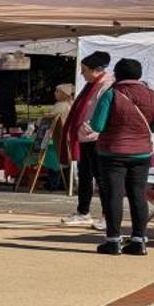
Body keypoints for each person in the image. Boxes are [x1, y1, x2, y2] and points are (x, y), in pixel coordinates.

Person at [88, 57, 154, 256]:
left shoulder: (112, 94)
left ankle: (113, 241)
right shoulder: (152, 95)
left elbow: (97, 125)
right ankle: (139, 241)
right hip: (141, 153)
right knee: (138, 195)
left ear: (117, 74)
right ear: (139, 75)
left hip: (112, 152)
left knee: (114, 195)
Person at [58, 51, 113, 229]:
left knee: (102, 178)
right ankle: (83, 212)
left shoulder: (106, 85)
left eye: (84, 70)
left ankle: (108, 215)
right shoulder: (91, 84)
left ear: (95, 70)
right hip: (84, 138)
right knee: (84, 176)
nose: (82, 73)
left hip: (95, 137)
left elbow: (102, 112)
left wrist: (85, 128)